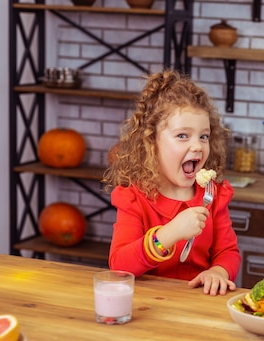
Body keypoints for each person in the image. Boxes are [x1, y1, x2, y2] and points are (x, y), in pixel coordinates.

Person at [103, 69, 240, 296]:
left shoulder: (212, 195)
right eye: (183, 136)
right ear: (151, 143)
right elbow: (119, 265)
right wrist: (168, 234)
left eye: (203, 136)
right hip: (148, 306)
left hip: (199, 302)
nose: (197, 145)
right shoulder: (135, 198)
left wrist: (219, 271)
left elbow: (228, 251)